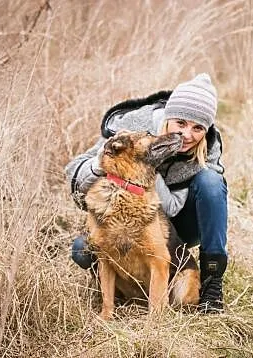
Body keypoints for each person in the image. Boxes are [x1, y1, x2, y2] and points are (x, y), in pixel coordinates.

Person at [64, 73, 228, 313]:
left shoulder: (208, 147)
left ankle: (212, 284)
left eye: (198, 128)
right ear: (168, 115)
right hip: (126, 217)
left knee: (212, 182)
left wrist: (151, 176)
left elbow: (181, 205)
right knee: (82, 249)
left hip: (178, 225)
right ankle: (125, 289)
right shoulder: (135, 129)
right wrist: (101, 165)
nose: (187, 135)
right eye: (180, 123)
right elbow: (73, 171)